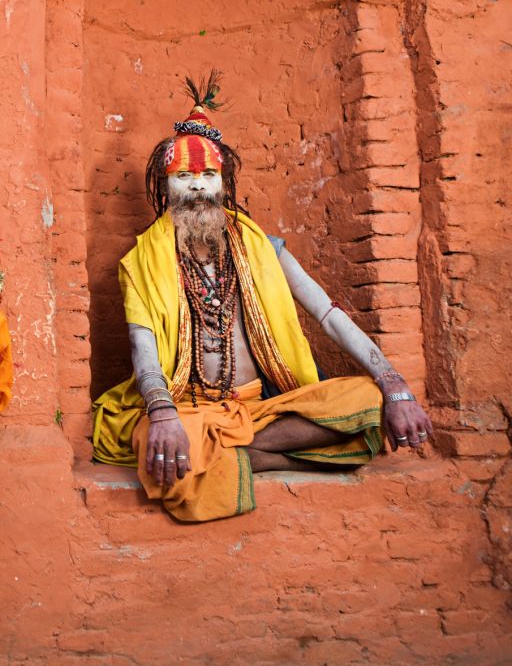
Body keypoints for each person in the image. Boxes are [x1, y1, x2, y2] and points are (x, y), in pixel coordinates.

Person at [91, 73, 434, 522]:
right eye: (185, 176)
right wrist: (162, 413)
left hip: (262, 407)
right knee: (174, 447)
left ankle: (228, 457)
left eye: (209, 175)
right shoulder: (142, 262)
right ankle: (262, 456)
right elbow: (144, 351)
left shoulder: (262, 248)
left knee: (368, 402)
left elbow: (327, 314)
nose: (198, 187)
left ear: (224, 183)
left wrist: (395, 384)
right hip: (188, 409)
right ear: (165, 187)